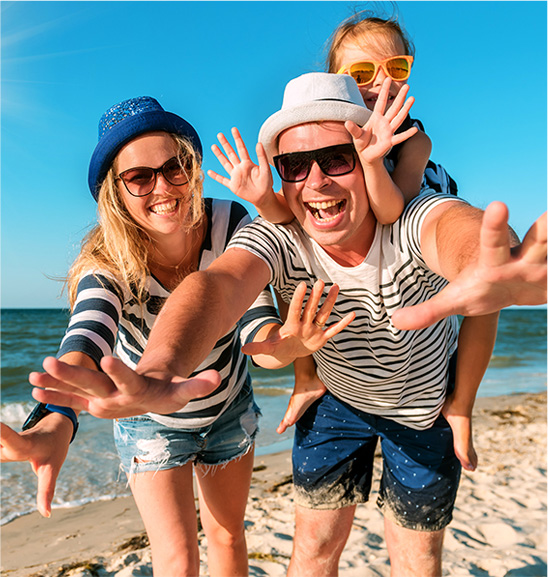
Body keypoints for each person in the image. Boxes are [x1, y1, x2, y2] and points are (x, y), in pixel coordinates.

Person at [27, 73, 546, 577]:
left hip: (417, 411)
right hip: (329, 408)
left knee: (415, 559)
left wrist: (484, 261)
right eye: (296, 165)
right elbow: (214, 289)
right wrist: (154, 374)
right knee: (294, 553)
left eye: (337, 159)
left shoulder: (407, 217)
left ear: (369, 159)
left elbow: (450, 227)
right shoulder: (275, 237)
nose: (316, 181)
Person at [0, 95, 349, 577]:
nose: (162, 186)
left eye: (175, 167)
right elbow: (86, 340)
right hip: (150, 423)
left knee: (228, 535)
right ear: (115, 192)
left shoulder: (231, 224)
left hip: (227, 409)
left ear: (192, 167)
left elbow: (258, 334)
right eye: (139, 177)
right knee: (176, 559)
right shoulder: (108, 262)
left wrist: (287, 345)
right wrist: (56, 419)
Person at [209, 13, 499, 472]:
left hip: (402, 200)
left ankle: (461, 405)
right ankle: (306, 377)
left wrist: (372, 160)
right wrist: (265, 197)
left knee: (483, 298)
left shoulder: (413, 140)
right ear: (336, 83)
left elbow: (391, 212)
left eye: (396, 68)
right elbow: (295, 221)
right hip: (364, 211)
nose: (380, 82)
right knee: (298, 258)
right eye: (361, 73)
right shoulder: (323, 144)